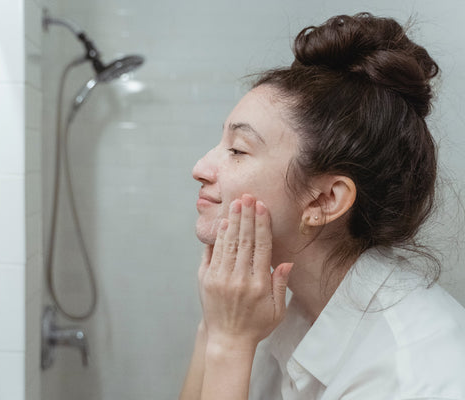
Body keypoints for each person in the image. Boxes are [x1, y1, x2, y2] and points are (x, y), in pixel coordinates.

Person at [180, 12, 465, 400]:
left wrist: (229, 343)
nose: (200, 168)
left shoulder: (414, 376)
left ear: (324, 200)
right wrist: (215, 327)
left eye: (237, 150)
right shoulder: (285, 312)